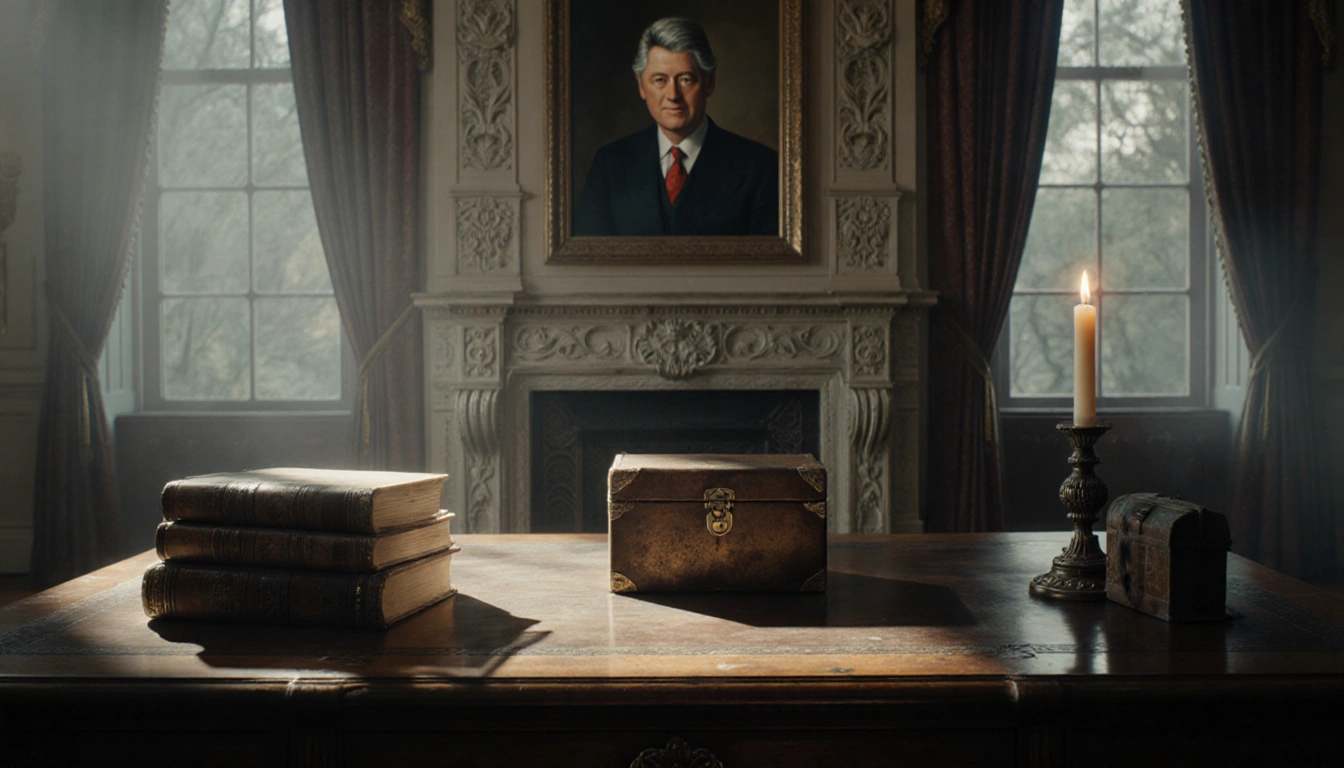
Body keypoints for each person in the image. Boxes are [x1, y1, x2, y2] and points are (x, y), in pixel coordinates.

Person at [573, 17, 779, 237]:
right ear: (641, 87)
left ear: (709, 83)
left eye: (686, 79)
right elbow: (589, 262)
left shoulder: (760, 167)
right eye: (660, 80)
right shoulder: (610, 164)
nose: (673, 95)